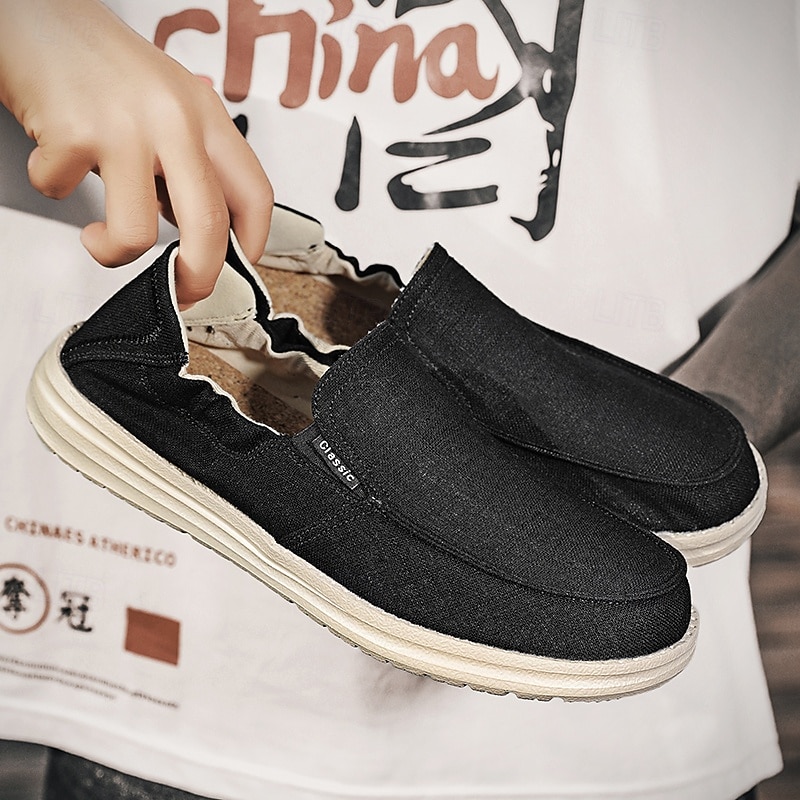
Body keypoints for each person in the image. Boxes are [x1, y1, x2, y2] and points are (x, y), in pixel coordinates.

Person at [0, 1, 796, 799]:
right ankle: (153, 368)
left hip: (620, 745)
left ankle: (255, 344)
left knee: (630, 576)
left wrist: (739, 382)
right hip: (176, 678)